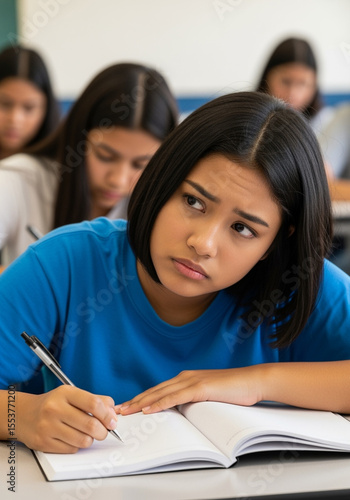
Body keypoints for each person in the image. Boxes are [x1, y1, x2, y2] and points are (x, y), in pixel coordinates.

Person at [0, 91, 350, 454]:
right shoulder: (65, 263)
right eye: (194, 202)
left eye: (243, 228)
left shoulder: (301, 283)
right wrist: (22, 415)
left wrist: (256, 383)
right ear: (163, 180)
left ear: (277, 242)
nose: (203, 243)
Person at [0, 62, 178, 266]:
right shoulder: (18, 180)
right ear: (79, 138)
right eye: (105, 156)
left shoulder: (162, 204)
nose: (118, 181)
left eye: (140, 164)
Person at [256, 37, 334, 137]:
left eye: (302, 83)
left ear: (314, 84)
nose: (292, 93)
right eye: (286, 81)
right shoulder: (246, 117)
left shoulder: (328, 125)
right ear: (267, 77)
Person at [0, 44, 60, 160]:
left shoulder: (60, 165)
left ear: (46, 109)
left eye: (29, 108)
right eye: (5, 104)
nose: (15, 119)